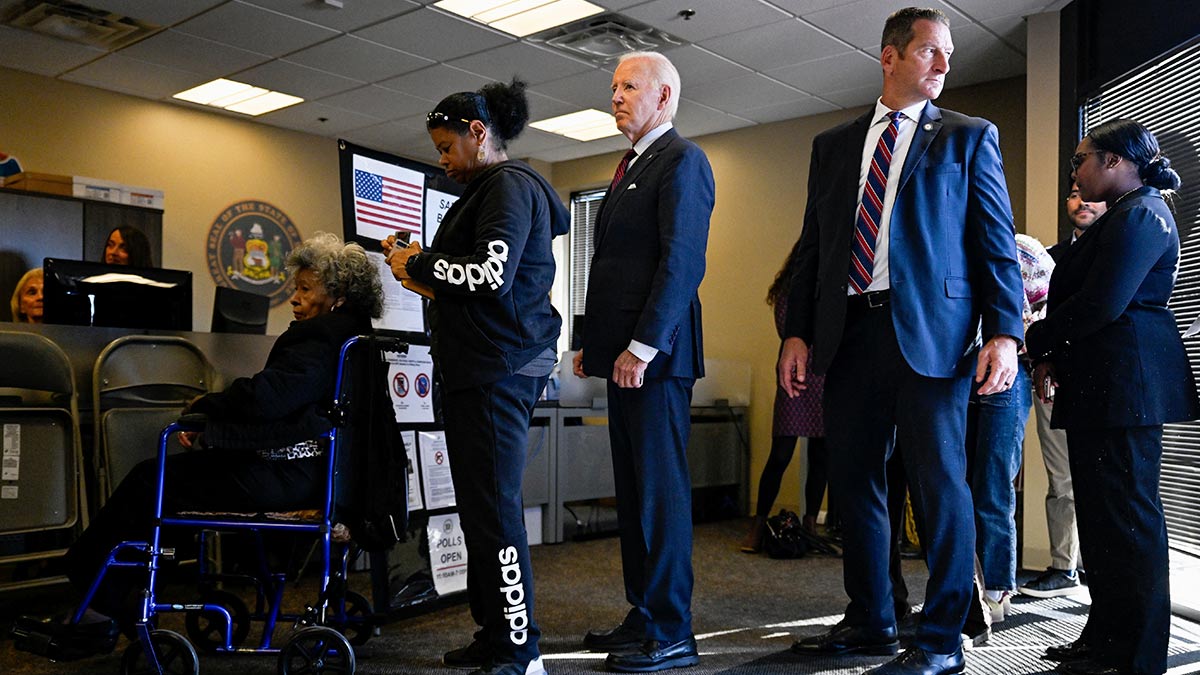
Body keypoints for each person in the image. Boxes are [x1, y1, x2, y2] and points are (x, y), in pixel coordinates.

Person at [777, 8, 1024, 675]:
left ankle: (942, 637)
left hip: (933, 338)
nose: (945, 65)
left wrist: (1005, 331)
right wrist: (795, 330)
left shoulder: (969, 138)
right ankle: (873, 617)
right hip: (850, 332)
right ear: (889, 57)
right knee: (853, 481)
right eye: (929, 53)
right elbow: (816, 248)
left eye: (949, 54)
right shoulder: (833, 145)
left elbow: (995, 245)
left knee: (939, 484)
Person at [14, 232, 383, 658]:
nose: (294, 299)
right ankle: (118, 598)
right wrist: (216, 429)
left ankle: (103, 600)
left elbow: (267, 398)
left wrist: (206, 407)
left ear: (336, 295)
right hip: (314, 474)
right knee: (171, 484)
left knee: (151, 479)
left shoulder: (318, 339)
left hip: (283, 478)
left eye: (304, 289)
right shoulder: (355, 338)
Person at [383, 78, 567, 675]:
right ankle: (495, 636)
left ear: (478, 134)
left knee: (495, 510)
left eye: (446, 146)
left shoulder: (509, 188)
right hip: (477, 368)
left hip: (497, 370)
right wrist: (424, 270)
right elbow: (468, 276)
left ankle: (521, 648)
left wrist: (419, 264)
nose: (442, 160)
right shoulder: (488, 191)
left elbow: (489, 276)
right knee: (480, 510)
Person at [1027, 119, 1200, 675]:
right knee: (1104, 524)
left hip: (1129, 387)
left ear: (1115, 161)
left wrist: (1036, 339)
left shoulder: (1143, 214)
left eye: (1081, 159)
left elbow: (1102, 304)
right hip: (1104, 384)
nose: (1074, 172)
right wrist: (1054, 350)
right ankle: (1105, 640)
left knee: (1130, 523)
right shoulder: (1123, 215)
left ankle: (1140, 655)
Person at [571, 51, 713, 673]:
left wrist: (641, 346)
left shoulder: (683, 160)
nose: (616, 96)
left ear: (664, 98)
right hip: (623, 355)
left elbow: (681, 263)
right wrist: (590, 344)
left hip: (655, 358)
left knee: (660, 497)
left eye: (630, 86)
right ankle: (644, 614)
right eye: (613, 87)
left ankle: (673, 630)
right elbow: (611, 269)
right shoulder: (631, 167)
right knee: (632, 497)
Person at [1018, 181, 1105, 599]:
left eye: (1089, 194)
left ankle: (1098, 563)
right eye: (1074, 194)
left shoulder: (1119, 253)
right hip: (1053, 379)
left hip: (1106, 381)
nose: (1082, 200)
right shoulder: (1046, 259)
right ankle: (1064, 564)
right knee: (1062, 476)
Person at [965, 232, 1054, 623]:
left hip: (1010, 371)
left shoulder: (1026, 250)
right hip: (951, 371)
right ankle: (961, 587)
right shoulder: (947, 238)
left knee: (994, 478)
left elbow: (1049, 309)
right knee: (953, 481)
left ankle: (998, 587)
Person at [741, 240, 827, 552]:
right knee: (780, 454)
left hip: (824, 375)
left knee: (821, 457)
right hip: (794, 375)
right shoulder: (791, 289)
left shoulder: (830, 285)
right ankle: (758, 524)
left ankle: (809, 525)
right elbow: (786, 328)